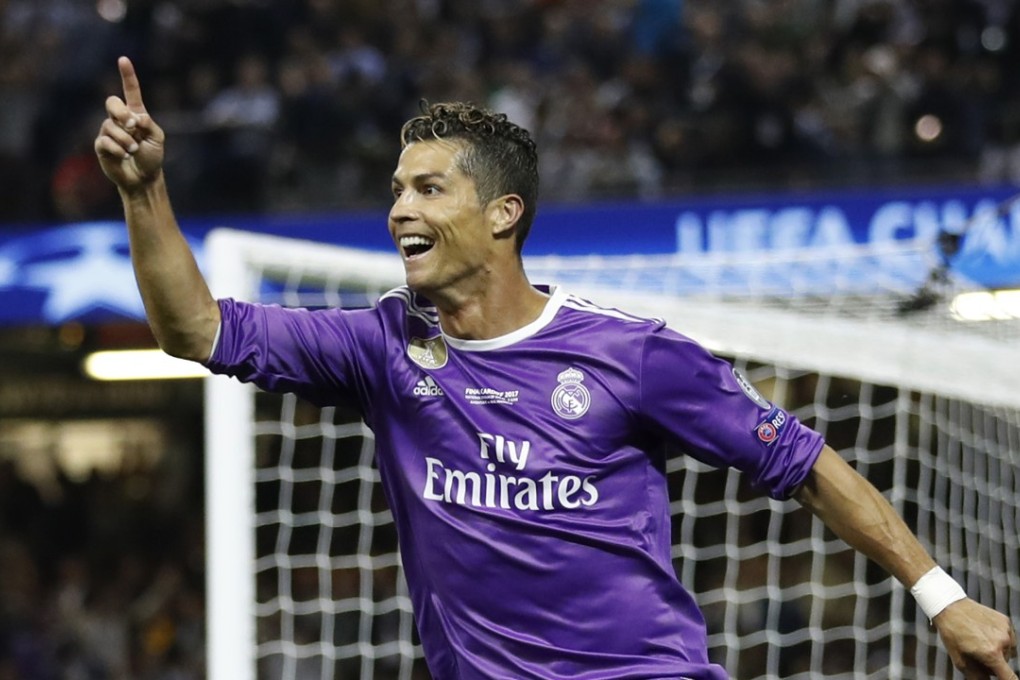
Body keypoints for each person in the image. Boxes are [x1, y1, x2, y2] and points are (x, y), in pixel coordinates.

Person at [96, 55, 1018, 680]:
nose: (398, 211)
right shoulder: (382, 346)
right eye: (395, 191)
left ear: (502, 214)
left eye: (427, 188)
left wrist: (944, 600)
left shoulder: (631, 354)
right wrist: (146, 193)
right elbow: (195, 328)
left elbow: (804, 464)